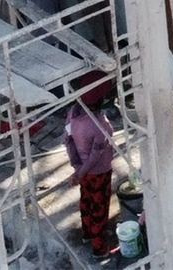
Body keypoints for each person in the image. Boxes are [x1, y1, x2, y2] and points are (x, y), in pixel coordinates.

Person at [63, 91, 117, 256]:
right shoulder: (99, 124)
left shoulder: (73, 112)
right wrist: (81, 171)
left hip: (83, 167)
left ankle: (87, 233)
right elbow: (96, 155)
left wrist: (77, 167)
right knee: (99, 207)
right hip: (99, 171)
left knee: (86, 201)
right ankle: (99, 247)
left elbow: (67, 139)